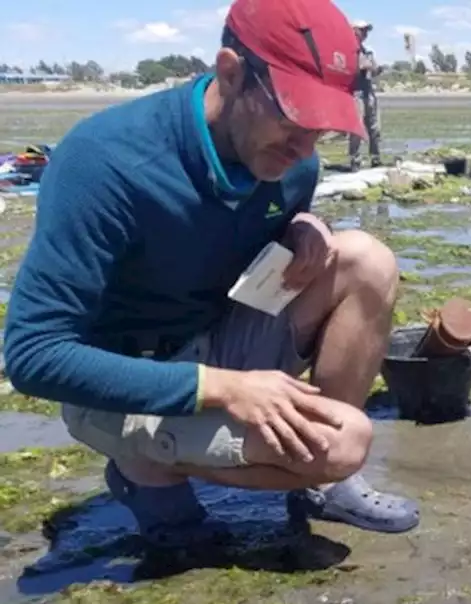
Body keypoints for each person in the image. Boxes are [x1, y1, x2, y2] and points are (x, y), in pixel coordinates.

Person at [2, 0, 420, 550]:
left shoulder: (296, 164)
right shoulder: (104, 162)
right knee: (342, 445)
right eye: (294, 119)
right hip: (123, 379)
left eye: (321, 130)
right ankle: (145, 472)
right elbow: (34, 356)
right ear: (231, 71)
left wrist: (299, 228)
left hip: (215, 335)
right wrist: (222, 388)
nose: (305, 149)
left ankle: (321, 486)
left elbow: (228, 236)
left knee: (366, 258)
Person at [348, 20, 382, 169]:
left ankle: (375, 157)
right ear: (354, 30)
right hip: (356, 93)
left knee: (375, 127)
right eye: (363, 30)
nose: (365, 34)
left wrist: (377, 69)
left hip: (369, 93)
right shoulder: (348, 51)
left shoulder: (367, 52)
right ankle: (355, 160)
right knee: (357, 128)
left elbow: (373, 70)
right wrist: (360, 67)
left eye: (367, 31)